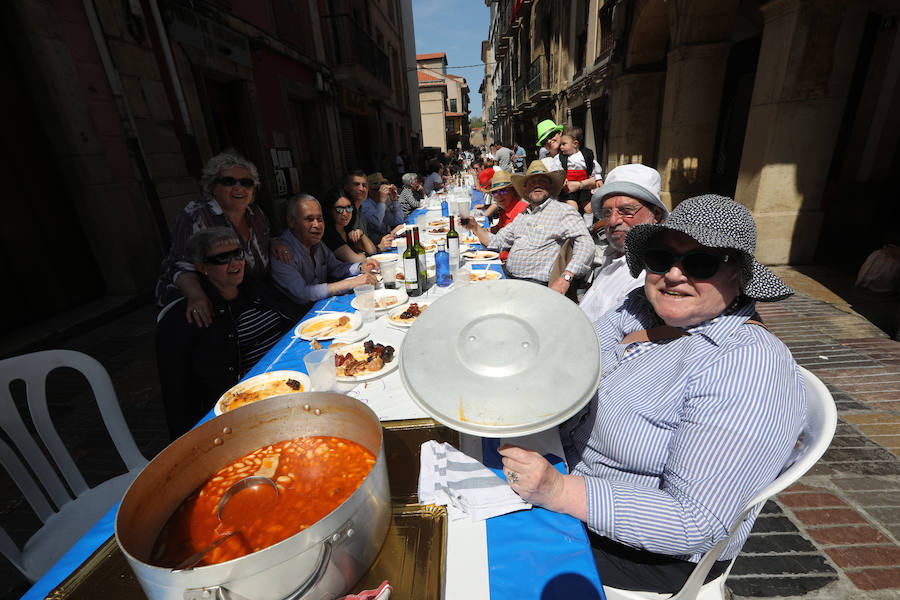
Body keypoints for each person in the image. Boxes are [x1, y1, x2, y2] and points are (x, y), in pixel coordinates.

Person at [498, 195, 805, 595]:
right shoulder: (642, 307)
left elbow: (692, 523)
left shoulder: (746, 366)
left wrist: (556, 490)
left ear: (739, 275)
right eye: (661, 258)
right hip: (565, 471)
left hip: (649, 551)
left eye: (700, 263)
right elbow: (575, 359)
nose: (674, 275)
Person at [156, 227, 306, 440]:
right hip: (256, 399)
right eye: (222, 258)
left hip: (292, 371)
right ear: (202, 268)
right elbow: (178, 394)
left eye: (238, 254)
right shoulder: (193, 317)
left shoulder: (252, 287)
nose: (235, 262)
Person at [155, 151, 293, 325]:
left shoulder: (255, 213)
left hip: (247, 293)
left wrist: (274, 242)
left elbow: (258, 246)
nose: (239, 187)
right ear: (212, 187)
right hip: (209, 302)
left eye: (246, 182)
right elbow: (178, 265)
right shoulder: (195, 216)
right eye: (229, 182)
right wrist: (196, 295)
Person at [463, 160, 593, 295]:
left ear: (550, 187)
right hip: (509, 277)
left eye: (542, 181)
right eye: (531, 182)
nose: (537, 185)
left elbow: (586, 243)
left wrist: (566, 276)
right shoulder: (523, 215)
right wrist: (475, 227)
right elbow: (496, 242)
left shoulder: (563, 211)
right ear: (525, 189)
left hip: (534, 286)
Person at [579, 164, 668, 323]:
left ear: (656, 214)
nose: (613, 221)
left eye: (626, 211)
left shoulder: (652, 274)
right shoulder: (611, 254)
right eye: (607, 212)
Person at [272, 194, 379, 304]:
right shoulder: (281, 252)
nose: (317, 225)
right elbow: (303, 294)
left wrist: (361, 267)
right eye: (309, 219)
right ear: (291, 222)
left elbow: (336, 267)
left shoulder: (317, 243)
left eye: (319, 219)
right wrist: (351, 283)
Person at [481, 170, 529, 262]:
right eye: (494, 192)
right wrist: (485, 230)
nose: (498, 195)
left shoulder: (521, 210)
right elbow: (498, 229)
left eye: (503, 191)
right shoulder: (504, 210)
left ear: (514, 191)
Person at [555, 127, 603, 215]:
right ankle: (575, 224)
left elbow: (593, 166)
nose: (560, 147)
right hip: (568, 188)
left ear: (575, 143)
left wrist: (598, 178)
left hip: (584, 187)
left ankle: (589, 226)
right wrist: (561, 177)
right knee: (573, 208)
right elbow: (557, 168)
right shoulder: (560, 157)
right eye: (560, 144)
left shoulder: (586, 154)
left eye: (564, 144)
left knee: (589, 208)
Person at [362, 172, 404, 239]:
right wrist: (382, 202)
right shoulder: (364, 205)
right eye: (377, 190)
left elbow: (398, 221)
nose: (382, 193)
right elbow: (376, 224)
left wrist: (395, 200)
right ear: (369, 191)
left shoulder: (383, 202)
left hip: (387, 239)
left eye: (384, 190)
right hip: (376, 245)